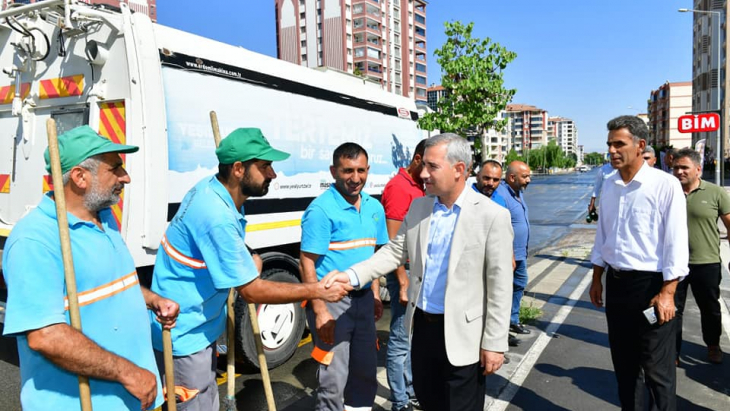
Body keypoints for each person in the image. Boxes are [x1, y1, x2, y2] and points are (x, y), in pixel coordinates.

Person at [149, 128, 351, 410]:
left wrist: (247, 260)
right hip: (184, 332)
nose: (273, 175)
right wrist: (318, 289)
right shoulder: (215, 212)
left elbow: (222, 249)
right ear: (239, 169)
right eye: (265, 166)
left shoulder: (215, 191)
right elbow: (253, 291)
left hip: (203, 326)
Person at [323, 133, 514, 411]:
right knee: (428, 400)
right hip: (423, 330)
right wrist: (351, 276)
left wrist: (495, 343)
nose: (423, 173)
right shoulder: (420, 207)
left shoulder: (492, 216)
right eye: (423, 164)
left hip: (464, 335)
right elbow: (394, 251)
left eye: (432, 166)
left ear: (459, 169)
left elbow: (499, 285)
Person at [1, 125, 179, 411]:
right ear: (80, 177)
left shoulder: (104, 217)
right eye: (116, 169)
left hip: (131, 398)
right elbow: (45, 335)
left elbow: (108, 284)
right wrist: (128, 373)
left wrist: (151, 300)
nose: (126, 177)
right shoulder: (35, 240)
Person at [589, 116, 688, 410]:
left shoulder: (665, 185)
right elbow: (602, 236)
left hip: (652, 288)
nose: (612, 151)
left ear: (640, 145)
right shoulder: (609, 185)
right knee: (625, 365)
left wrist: (668, 292)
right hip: (618, 286)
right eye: (609, 144)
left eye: (619, 144)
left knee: (657, 369)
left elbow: (676, 243)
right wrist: (597, 278)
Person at [299, 142, 390, 411]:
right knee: (333, 378)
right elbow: (307, 263)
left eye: (361, 170)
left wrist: (375, 295)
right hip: (332, 304)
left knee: (364, 372)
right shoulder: (321, 210)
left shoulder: (375, 207)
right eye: (347, 170)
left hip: (363, 301)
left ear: (368, 169)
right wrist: (319, 310)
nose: (355, 178)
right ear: (333, 171)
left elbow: (374, 259)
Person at [380, 139, 426, 411]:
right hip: (405, 271)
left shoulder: (419, 186)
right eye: (429, 164)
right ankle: (400, 401)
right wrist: (402, 278)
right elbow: (392, 239)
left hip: (415, 270)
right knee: (399, 339)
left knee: (409, 337)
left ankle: (410, 391)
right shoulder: (399, 188)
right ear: (418, 159)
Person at [672, 148, 727, 364]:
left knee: (710, 308)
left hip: (707, 262)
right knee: (673, 310)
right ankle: (672, 352)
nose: (679, 172)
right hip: (674, 263)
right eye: (676, 167)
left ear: (698, 169)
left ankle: (713, 346)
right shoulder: (668, 191)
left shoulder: (715, 192)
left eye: (684, 167)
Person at [496, 161, 532, 343]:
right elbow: (499, 228)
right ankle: (501, 333)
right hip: (507, 256)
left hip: (520, 254)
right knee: (502, 292)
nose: (529, 180)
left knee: (519, 285)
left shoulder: (518, 192)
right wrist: (508, 254)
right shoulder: (501, 194)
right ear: (512, 177)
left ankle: (513, 320)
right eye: (525, 176)